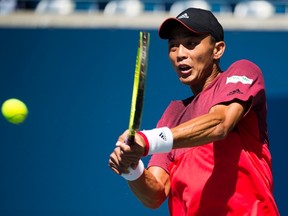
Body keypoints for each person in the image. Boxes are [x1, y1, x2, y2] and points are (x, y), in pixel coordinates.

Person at [108, 7, 279, 216]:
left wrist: (147, 140)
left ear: (217, 49)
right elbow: (155, 195)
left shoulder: (243, 72)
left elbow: (220, 123)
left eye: (190, 44)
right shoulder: (173, 115)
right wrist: (132, 168)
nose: (180, 54)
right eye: (173, 46)